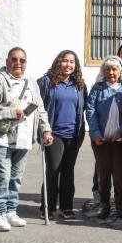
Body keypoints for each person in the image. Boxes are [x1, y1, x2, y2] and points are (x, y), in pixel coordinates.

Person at [0, 47, 53, 232]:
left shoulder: (31, 83)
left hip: (24, 137)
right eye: (14, 59)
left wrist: (46, 130)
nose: (18, 63)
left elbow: (40, 109)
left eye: (22, 60)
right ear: (7, 61)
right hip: (2, 137)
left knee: (16, 178)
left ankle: (10, 211)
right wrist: (12, 112)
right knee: (3, 177)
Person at [37, 50, 87, 220]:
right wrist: (43, 130)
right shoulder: (46, 82)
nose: (68, 64)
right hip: (53, 133)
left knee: (68, 171)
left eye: (72, 62)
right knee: (53, 169)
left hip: (73, 134)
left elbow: (83, 108)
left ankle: (67, 207)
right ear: (58, 61)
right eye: (65, 60)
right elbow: (38, 106)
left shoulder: (79, 85)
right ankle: (48, 207)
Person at [85, 56, 122, 220]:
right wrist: (95, 133)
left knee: (120, 173)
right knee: (103, 174)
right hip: (101, 139)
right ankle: (105, 205)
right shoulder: (98, 89)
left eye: (114, 69)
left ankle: (121, 205)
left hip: (120, 140)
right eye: (108, 69)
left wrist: (121, 131)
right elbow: (90, 111)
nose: (111, 72)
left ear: (120, 71)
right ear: (103, 71)